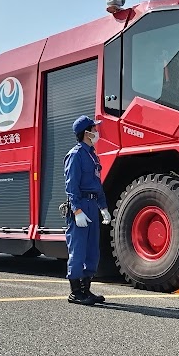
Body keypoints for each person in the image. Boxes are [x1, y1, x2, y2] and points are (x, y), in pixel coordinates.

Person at [64, 115, 112, 305]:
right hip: (81, 205)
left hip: (92, 205)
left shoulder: (92, 155)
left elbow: (97, 184)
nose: (97, 132)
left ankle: (86, 290)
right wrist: (76, 210)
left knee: (92, 250)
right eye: (95, 128)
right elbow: (71, 186)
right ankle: (75, 292)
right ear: (86, 133)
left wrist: (103, 207)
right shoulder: (75, 155)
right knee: (78, 249)